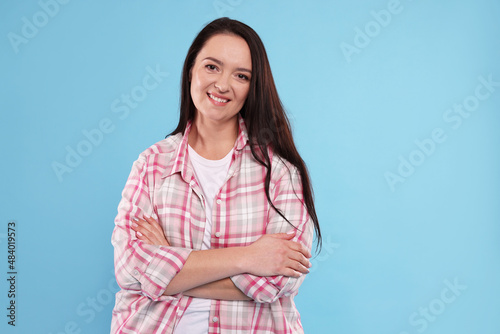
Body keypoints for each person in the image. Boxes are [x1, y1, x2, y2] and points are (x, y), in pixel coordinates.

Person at [110, 17, 321, 334]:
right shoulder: (152, 164)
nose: (223, 84)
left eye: (241, 75)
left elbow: (278, 282)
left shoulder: (280, 172)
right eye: (212, 67)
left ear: (253, 87)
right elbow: (131, 270)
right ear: (190, 69)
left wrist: (170, 267)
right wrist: (249, 257)